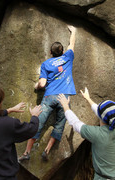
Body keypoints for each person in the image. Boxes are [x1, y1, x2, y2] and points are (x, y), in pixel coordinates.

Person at [19, 25, 76, 161]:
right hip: (64, 98)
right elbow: (72, 44)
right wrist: (74, 31)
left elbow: (43, 83)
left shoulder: (46, 64)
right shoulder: (68, 57)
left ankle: (27, 153)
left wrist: (36, 85)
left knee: (37, 122)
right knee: (60, 124)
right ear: (62, 51)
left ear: (51, 52)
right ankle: (47, 150)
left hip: (50, 96)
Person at [58, 87, 115, 180]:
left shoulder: (97, 134)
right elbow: (102, 113)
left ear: (100, 117)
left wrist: (65, 106)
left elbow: (75, 123)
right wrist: (88, 98)